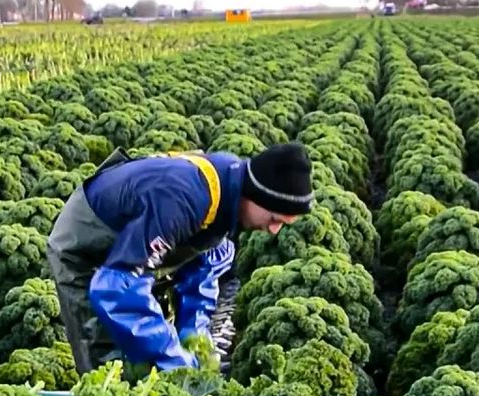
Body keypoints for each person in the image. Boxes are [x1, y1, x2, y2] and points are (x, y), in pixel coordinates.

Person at [47, 142, 314, 374]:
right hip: (86, 245)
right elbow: (116, 288)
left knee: (150, 346)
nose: (273, 229)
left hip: (136, 243)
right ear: (255, 197)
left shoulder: (231, 188)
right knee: (108, 361)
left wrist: (193, 335)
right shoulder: (184, 199)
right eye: (274, 218)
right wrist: (170, 354)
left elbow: (204, 263)